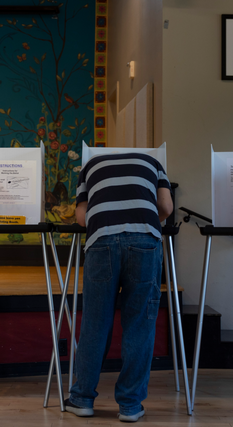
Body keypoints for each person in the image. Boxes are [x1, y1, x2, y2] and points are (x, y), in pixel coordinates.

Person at [64, 152, 173, 423]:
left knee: (95, 323)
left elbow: (81, 218)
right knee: (139, 324)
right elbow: (167, 208)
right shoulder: (154, 163)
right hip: (145, 241)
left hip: (102, 241)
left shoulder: (89, 166)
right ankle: (130, 406)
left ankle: (82, 400)